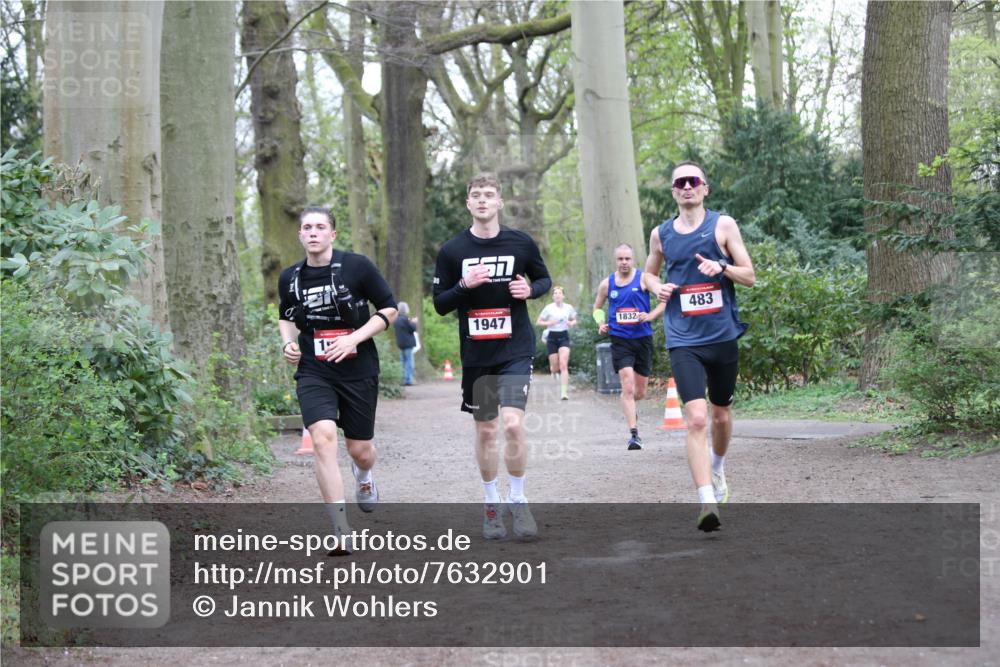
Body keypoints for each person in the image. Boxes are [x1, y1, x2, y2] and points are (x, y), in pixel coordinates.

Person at [433, 173, 552, 540]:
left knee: (513, 424)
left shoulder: (520, 242)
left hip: (515, 347)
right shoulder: (453, 251)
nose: (482, 200)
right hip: (478, 353)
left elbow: (545, 280)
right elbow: (439, 304)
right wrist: (463, 286)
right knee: (486, 431)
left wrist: (530, 289)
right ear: (468, 204)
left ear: (499, 202)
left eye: (488, 195)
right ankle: (490, 504)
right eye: (475, 195)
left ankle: (518, 499)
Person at [278, 205, 398, 554]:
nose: (312, 233)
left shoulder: (357, 266)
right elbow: (285, 316)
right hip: (315, 368)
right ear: (300, 235)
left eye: (319, 227)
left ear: (332, 234)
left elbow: (388, 308)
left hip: (358, 367)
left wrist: (354, 338)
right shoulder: (290, 277)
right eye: (306, 228)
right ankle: (340, 529)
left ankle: (364, 476)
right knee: (323, 438)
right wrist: (288, 342)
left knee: (360, 451)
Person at [644, 161, 755, 533]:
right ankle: (707, 500)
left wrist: (722, 268)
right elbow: (649, 271)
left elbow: (750, 276)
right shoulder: (660, 234)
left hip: (721, 335)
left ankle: (718, 467)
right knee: (695, 418)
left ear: (705, 188)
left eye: (693, 181)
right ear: (674, 191)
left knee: (721, 414)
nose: (687, 187)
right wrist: (653, 287)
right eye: (680, 182)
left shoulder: (722, 225)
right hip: (683, 337)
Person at [592, 244, 665, 452]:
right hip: (620, 339)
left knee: (640, 392)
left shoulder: (644, 279)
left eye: (627, 259)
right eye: (620, 259)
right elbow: (596, 308)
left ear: (633, 260)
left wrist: (650, 316)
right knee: (627, 385)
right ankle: (634, 435)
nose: (624, 262)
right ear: (616, 260)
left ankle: (633, 411)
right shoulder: (607, 284)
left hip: (642, 339)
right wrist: (600, 323)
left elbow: (664, 300)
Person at [536, 285, 577, 400]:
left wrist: (571, 323)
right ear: (553, 297)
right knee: (555, 367)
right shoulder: (548, 308)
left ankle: (564, 392)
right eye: (555, 293)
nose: (557, 295)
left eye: (559, 293)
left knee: (563, 364)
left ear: (563, 296)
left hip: (564, 336)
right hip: (552, 337)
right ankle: (553, 370)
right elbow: (538, 322)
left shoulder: (569, 308)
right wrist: (550, 322)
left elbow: (574, 319)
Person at [394, 302, 418, 386]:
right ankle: (408, 380)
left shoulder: (396, 319)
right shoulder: (404, 319)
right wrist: (414, 322)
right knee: (409, 362)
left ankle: (402, 379)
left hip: (401, 343)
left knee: (403, 362)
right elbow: (412, 328)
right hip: (408, 343)